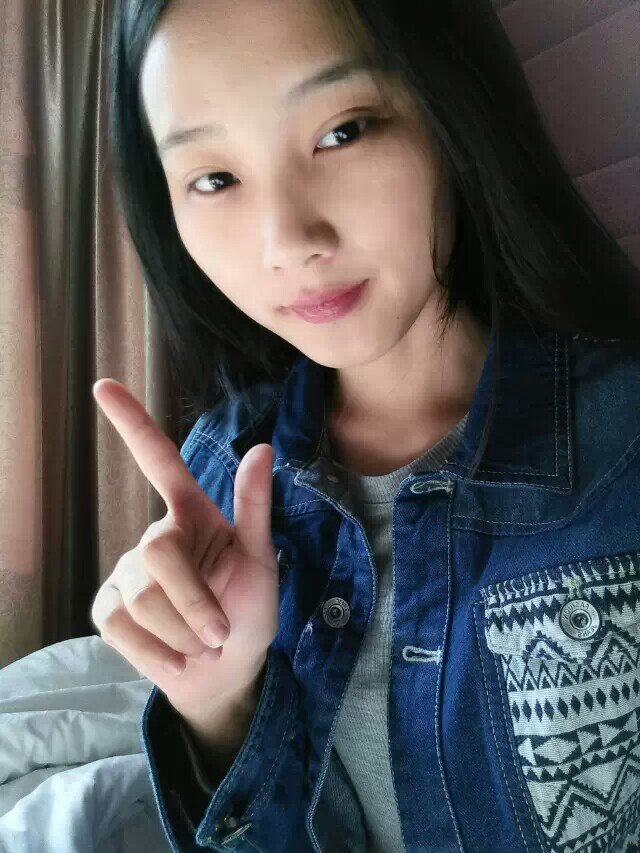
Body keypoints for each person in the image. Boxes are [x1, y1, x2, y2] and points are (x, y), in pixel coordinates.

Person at [95, 0, 640, 850]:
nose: (287, 240)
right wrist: (217, 704)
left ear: (452, 113)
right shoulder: (224, 471)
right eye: (215, 179)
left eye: (343, 131)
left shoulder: (624, 443)